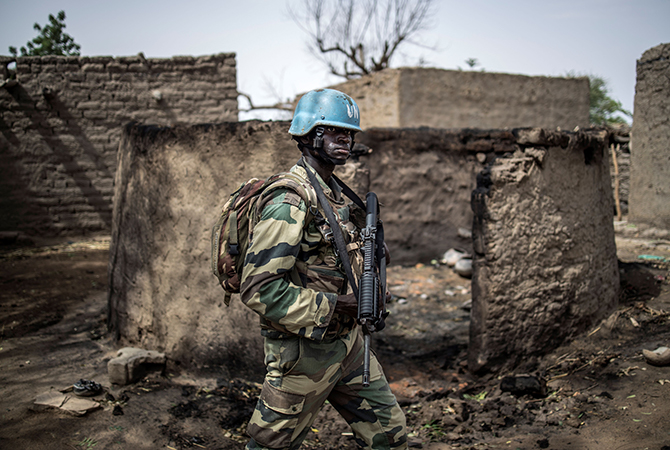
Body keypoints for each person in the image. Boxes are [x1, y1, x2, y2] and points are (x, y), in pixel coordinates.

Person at [240, 89, 408, 450]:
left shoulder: (334, 194)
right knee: (269, 446)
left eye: (349, 133)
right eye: (334, 131)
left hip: (348, 346)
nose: (345, 139)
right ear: (308, 135)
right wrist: (339, 305)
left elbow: (332, 260)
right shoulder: (289, 200)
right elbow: (259, 290)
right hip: (303, 355)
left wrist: (370, 293)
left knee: (390, 434)